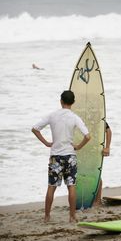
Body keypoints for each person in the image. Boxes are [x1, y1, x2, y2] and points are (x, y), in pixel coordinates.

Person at [31, 90, 91, 223]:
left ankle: (47, 216)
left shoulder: (52, 115)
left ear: (61, 101)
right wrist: (79, 146)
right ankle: (72, 216)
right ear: (73, 102)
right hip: (70, 155)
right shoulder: (74, 117)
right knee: (71, 186)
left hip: (55, 156)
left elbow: (35, 129)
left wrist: (47, 143)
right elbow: (88, 136)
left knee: (51, 186)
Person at [93, 122, 112, 206]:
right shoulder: (81, 116)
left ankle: (98, 201)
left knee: (96, 174)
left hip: (96, 149)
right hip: (83, 149)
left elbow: (108, 131)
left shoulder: (97, 116)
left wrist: (107, 147)